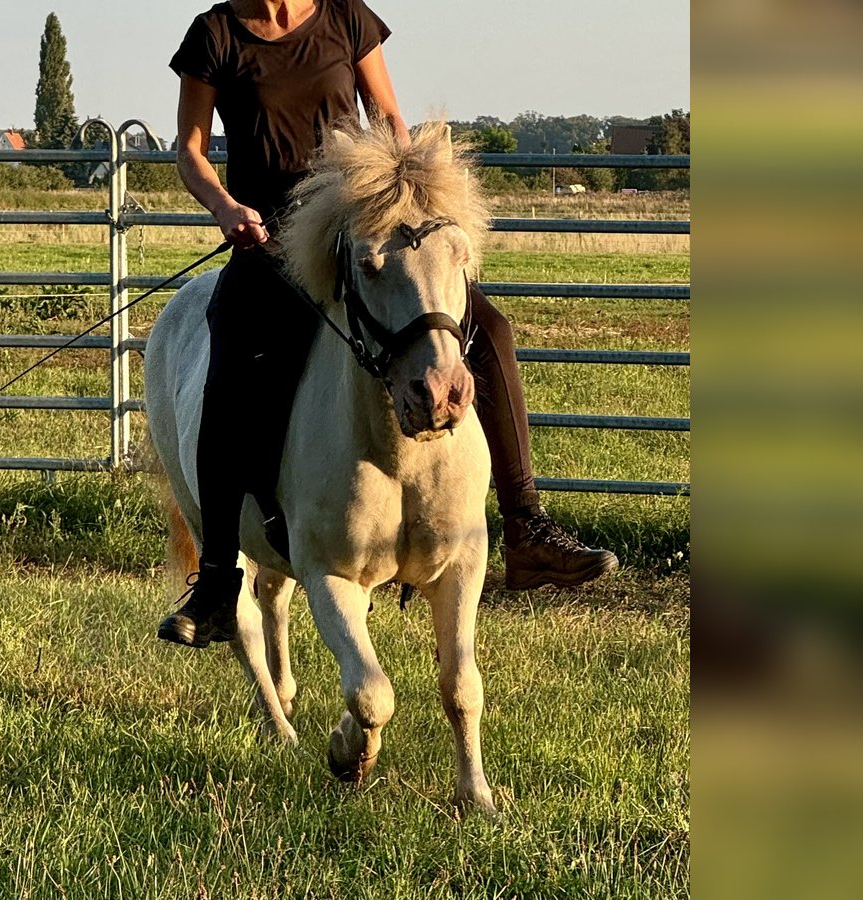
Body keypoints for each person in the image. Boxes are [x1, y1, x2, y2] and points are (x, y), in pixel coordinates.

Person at [158, 0, 617, 649]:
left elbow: (393, 123)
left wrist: (413, 201)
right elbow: (192, 151)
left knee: (489, 331)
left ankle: (526, 526)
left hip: (362, 230)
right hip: (273, 241)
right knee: (229, 366)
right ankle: (216, 580)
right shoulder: (215, 34)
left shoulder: (345, 18)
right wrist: (225, 204)